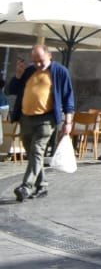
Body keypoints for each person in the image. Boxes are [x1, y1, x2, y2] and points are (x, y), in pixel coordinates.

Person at [8, 46, 74, 202]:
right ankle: (42, 185)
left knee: (37, 151)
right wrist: (17, 76)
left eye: (41, 60)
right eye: (35, 61)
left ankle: (26, 187)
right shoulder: (30, 71)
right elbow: (10, 90)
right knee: (32, 154)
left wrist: (68, 121)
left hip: (46, 119)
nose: (37, 64)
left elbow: (68, 97)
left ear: (50, 55)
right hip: (26, 118)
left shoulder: (59, 72)